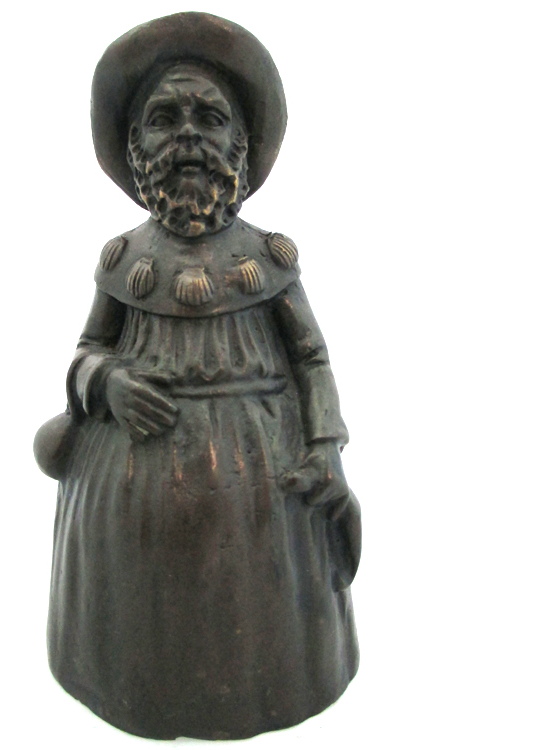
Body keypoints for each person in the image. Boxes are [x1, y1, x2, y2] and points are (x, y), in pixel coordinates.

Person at [34, 12, 361, 741]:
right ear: (135, 147)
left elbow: (311, 358)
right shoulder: (123, 259)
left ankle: (276, 682)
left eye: (209, 118)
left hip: (264, 482)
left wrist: (324, 447)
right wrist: (107, 383)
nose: (188, 137)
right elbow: (87, 349)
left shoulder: (267, 259)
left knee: (260, 604)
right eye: (164, 119)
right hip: (126, 484)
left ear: (239, 146)